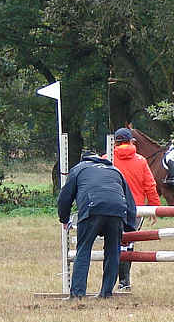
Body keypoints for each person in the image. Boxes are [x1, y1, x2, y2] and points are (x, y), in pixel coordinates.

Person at [57, 151, 137, 301]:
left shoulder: (79, 168)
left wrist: (64, 218)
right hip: (117, 210)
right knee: (113, 252)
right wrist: (129, 229)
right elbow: (130, 201)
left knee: (83, 250)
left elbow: (65, 197)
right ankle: (106, 293)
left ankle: (77, 294)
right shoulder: (115, 170)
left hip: (92, 208)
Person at [105, 127, 161, 292]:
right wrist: (154, 207)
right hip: (135, 209)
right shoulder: (141, 160)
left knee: (113, 242)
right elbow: (150, 185)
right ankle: (124, 281)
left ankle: (110, 281)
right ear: (131, 142)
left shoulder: (106, 159)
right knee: (128, 243)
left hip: (112, 207)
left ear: (115, 143)